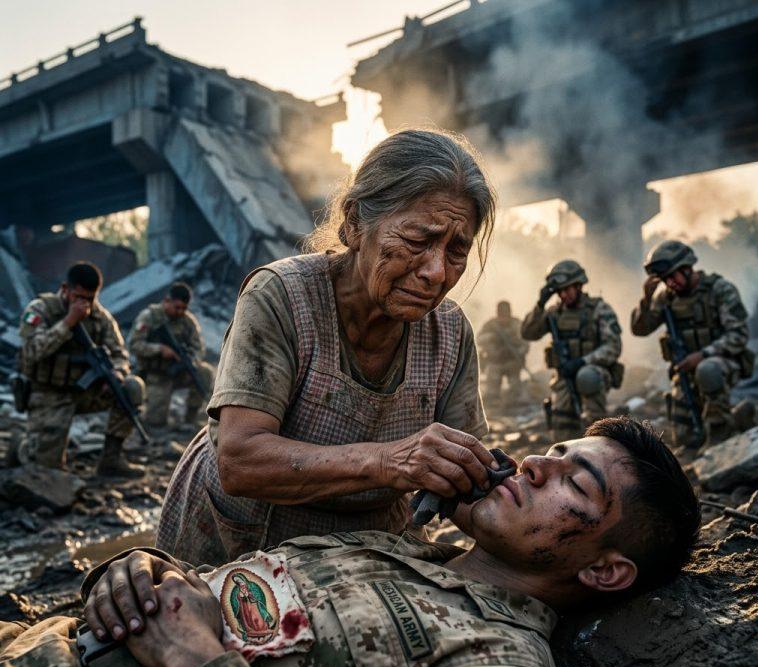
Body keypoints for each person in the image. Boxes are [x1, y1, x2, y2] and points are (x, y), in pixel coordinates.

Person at [0, 417, 700, 667]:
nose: (537, 464)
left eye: (577, 483)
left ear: (606, 571)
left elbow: (199, 645)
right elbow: (221, 595)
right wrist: (134, 571)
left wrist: (193, 663)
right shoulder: (385, 545)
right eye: (554, 452)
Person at [157, 129, 495, 566]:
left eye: (457, 250)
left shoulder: (449, 333)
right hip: (241, 539)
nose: (435, 272)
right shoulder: (281, 297)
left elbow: (463, 482)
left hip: (365, 551)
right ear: (354, 223)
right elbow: (240, 461)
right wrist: (392, 462)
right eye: (417, 240)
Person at [16, 261, 145, 477]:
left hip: (85, 392)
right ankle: (22, 447)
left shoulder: (100, 317)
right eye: (78, 297)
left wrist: (117, 373)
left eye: (90, 298)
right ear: (65, 289)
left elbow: (120, 353)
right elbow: (31, 351)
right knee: (47, 470)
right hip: (48, 393)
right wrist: (67, 323)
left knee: (131, 388)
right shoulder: (40, 309)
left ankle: (111, 460)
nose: (84, 304)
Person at [631, 240, 753, 447]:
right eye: (664, 279)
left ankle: (720, 435)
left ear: (687, 269)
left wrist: (703, 355)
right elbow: (640, 330)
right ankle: (736, 418)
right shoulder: (666, 298)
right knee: (685, 437)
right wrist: (646, 299)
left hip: (720, 364)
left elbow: (739, 334)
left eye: (673, 276)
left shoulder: (719, 290)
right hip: (685, 371)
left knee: (707, 372)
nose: (670, 283)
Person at [521, 259, 623, 436]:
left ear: (579, 286)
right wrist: (540, 304)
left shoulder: (598, 309)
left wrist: (583, 361)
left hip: (593, 373)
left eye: (567, 289)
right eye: (559, 291)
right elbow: (528, 333)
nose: (563, 295)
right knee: (562, 427)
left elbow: (613, 346)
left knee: (587, 378)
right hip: (565, 375)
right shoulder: (554, 312)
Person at [128, 282, 215, 430]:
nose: (180, 312)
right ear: (167, 301)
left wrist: (191, 360)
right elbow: (134, 345)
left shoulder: (187, 321)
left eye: (184, 308)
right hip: (154, 375)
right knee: (156, 424)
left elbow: (198, 347)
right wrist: (159, 349)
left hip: (178, 371)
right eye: (177, 307)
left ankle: (190, 418)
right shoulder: (149, 317)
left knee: (204, 372)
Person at [477, 300, 529, 410]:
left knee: (515, 392)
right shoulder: (490, 325)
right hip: (495, 362)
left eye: (506, 314)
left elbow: (526, 342)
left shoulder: (517, 324)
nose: (504, 318)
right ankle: (493, 405)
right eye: (502, 314)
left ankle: (512, 405)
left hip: (512, 362)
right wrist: (491, 337)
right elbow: (478, 339)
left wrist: (519, 352)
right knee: (491, 394)